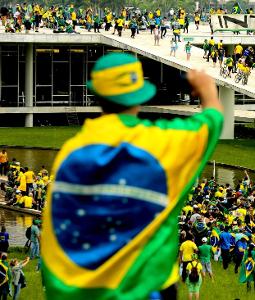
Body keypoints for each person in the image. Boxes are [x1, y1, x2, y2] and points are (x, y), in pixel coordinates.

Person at [41, 53, 223, 299]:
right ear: (140, 96)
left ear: (97, 95)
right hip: (146, 290)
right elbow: (212, 120)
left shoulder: (70, 151)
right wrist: (206, 89)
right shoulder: (163, 144)